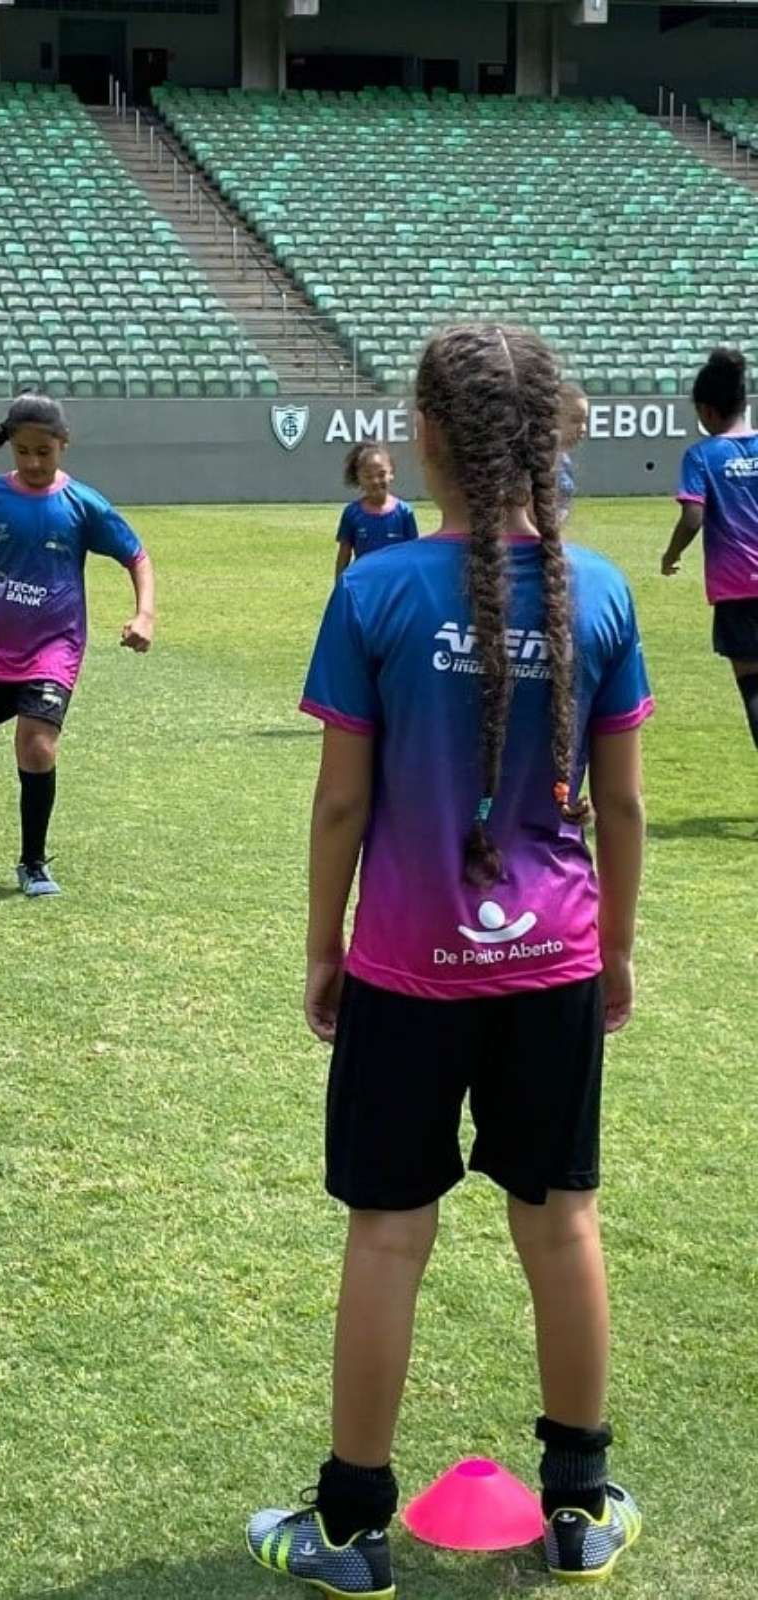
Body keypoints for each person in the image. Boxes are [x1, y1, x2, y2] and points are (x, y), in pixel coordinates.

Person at [245, 325, 651, 1596]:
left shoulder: (374, 592)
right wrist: (617, 952)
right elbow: (622, 810)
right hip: (554, 968)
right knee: (561, 1221)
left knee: (387, 1237)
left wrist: (325, 948)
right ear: (553, 440)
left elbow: (338, 810)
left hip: (406, 971)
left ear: (424, 435)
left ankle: (352, 1528)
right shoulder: (601, 591)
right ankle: (580, 1505)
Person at [0, 394, 154, 896]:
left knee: (36, 745)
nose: (34, 462)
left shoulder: (83, 504)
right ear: (10, 448)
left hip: (53, 650)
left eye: (44, 451)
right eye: (23, 452)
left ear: (63, 445)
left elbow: (138, 556)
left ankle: (33, 862)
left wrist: (144, 613)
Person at [663, 347, 758, 752]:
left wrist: (672, 555)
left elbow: (692, 519)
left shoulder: (701, 456)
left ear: (707, 410)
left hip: (738, 589)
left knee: (753, 686)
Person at [334, 445, 419, 581]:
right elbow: (344, 554)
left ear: (391, 474)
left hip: (395, 585)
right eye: (368, 476)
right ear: (359, 478)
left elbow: (413, 554)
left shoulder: (404, 512)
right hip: (364, 584)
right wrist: (339, 588)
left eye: (381, 474)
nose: (375, 481)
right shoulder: (352, 513)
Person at [557, 381, 590, 526]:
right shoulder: (530, 462)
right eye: (575, 420)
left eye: (585, 421)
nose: (583, 428)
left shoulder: (564, 461)